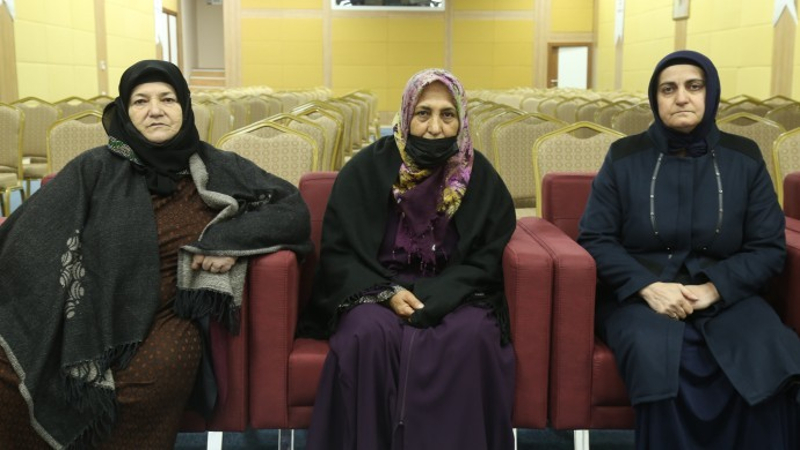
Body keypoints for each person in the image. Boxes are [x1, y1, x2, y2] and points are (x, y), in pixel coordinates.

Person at [0, 60, 311, 449]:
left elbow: (290, 207)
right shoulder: (94, 167)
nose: (155, 110)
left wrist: (227, 240)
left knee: (159, 370)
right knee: (13, 374)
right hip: (88, 309)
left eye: (167, 99)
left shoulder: (218, 166)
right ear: (124, 112)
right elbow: (32, 233)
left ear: (184, 106)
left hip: (168, 313)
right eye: (140, 101)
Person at [578, 50, 800, 449]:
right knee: (655, 354)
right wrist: (648, 287)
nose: (681, 97)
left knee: (766, 349)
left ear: (710, 94)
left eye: (693, 86)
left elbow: (767, 247)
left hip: (729, 295)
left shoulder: (744, 157)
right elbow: (596, 238)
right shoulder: (624, 157)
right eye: (668, 89)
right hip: (640, 298)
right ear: (655, 99)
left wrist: (714, 288)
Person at [299, 68, 517, 449]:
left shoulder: (479, 177)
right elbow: (340, 252)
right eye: (423, 113)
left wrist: (441, 294)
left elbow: (489, 254)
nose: (434, 127)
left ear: (461, 120)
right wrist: (386, 293)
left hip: (457, 292)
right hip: (376, 289)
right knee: (366, 335)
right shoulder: (365, 171)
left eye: (447, 115)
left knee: (473, 336)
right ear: (405, 115)